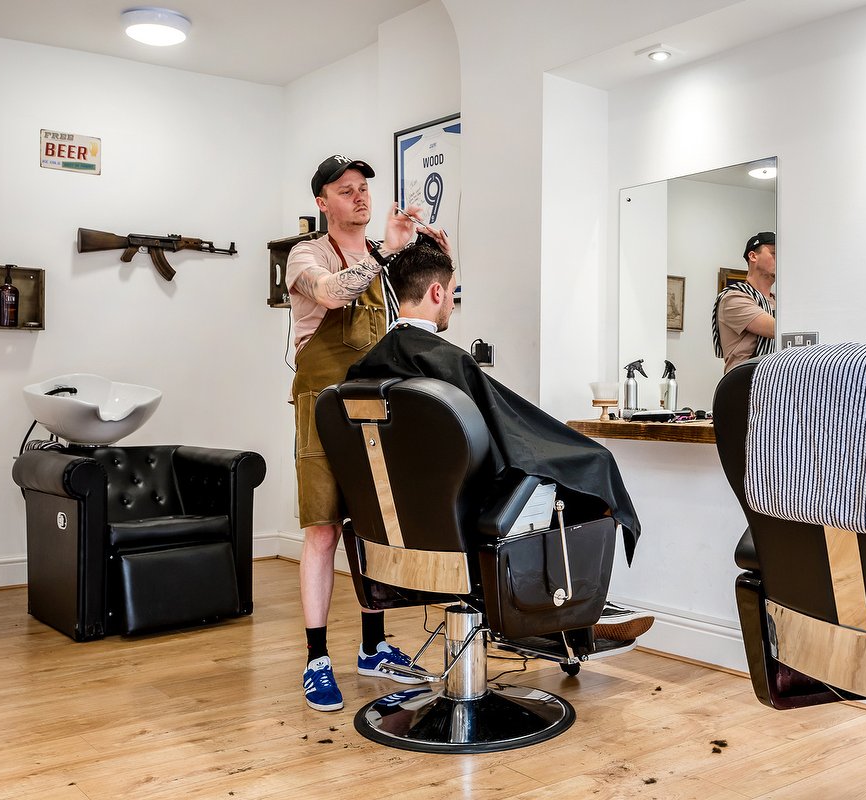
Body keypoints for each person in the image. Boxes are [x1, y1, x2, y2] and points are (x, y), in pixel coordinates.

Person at [345, 242, 651, 640]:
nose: (451, 302)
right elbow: (509, 440)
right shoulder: (447, 361)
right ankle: (570, 612)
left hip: (398, 530)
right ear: (436, 292)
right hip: (463, 524)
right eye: (451, 291)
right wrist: (578, 454)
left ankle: (552, 611)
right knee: (590, 467)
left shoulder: (364, 369)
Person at [286, 154, 448, 713]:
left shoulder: (387, 256)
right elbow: (333, 294)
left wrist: (435, 259)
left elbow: (428, 315)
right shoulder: (305, 255)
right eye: (345, 190)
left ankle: (373, 648)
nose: (359, 196)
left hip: (376, 404)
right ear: (322, 202)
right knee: (323, 529)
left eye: (363, 188)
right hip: (321, 405)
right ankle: (316, 658)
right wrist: (385, 253)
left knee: (373, 528)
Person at [714, 231, 777, 372]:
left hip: (774, 379)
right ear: (753, 256)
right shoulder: (734, 298)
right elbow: (776, 329)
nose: (781, 259)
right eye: (774, 253)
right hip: (744, 380)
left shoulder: (779, 302)